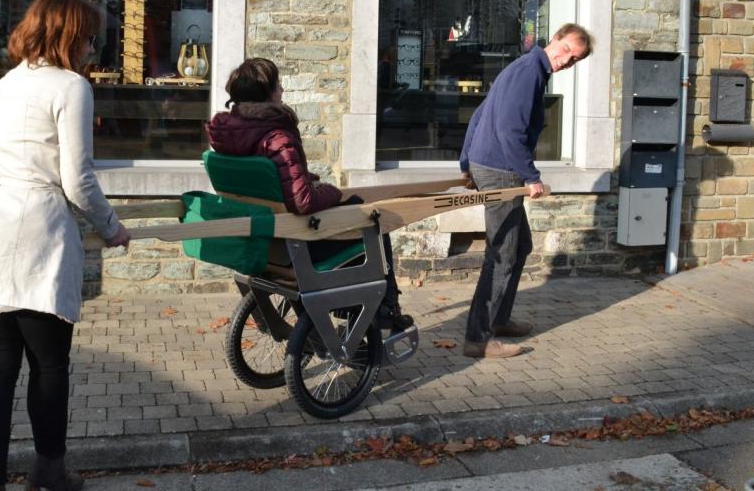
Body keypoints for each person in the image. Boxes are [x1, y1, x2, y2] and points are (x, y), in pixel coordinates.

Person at [0, 0, 131, 491]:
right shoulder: (71, 87)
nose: (90, 46)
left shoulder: (5, 84)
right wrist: (111, 226)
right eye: (87, 35)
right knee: (50, 364)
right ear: (69, 34)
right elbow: (77, 179)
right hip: (36, 233)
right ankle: (49, 471)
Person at [206, 57, 412, 330]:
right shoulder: (277, 137)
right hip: (296, 243)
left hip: (263, 238)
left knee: (358, 211)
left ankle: (362, 306)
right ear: (266, 93)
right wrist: (332, 191)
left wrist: (306, 182)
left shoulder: (228, 135)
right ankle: (386, 308)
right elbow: (302, 201)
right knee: (374, 219)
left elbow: (277, 184)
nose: (282, 90)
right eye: (278, 84)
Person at [458, 23, 593, 358]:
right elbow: (509, 130)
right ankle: (478, 338)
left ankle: (499, 319)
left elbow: (480, 114)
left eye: (573, 60)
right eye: (565, 51)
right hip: (500, 169)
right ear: (556, 38)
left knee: (520, 247)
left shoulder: (525, 67)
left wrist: (466, 160)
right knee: (503, 252)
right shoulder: (530, 72)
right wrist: (530, 176)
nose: (565, 61)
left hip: (490, 164)